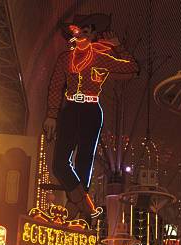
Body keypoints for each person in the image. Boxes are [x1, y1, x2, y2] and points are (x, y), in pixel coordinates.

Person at [43, 13, 139, 219]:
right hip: (69, 110)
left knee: (84, 161)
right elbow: (55, 87)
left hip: (91, 111)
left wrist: (118, 46)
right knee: (60, 164)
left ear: (94, 34)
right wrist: (51, 115)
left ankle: (75, 211)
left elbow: (132, 68)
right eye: (77, 31)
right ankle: (86, 206)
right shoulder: (65, 59)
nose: (81, 35)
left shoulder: (101, 57)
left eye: (86, 31)